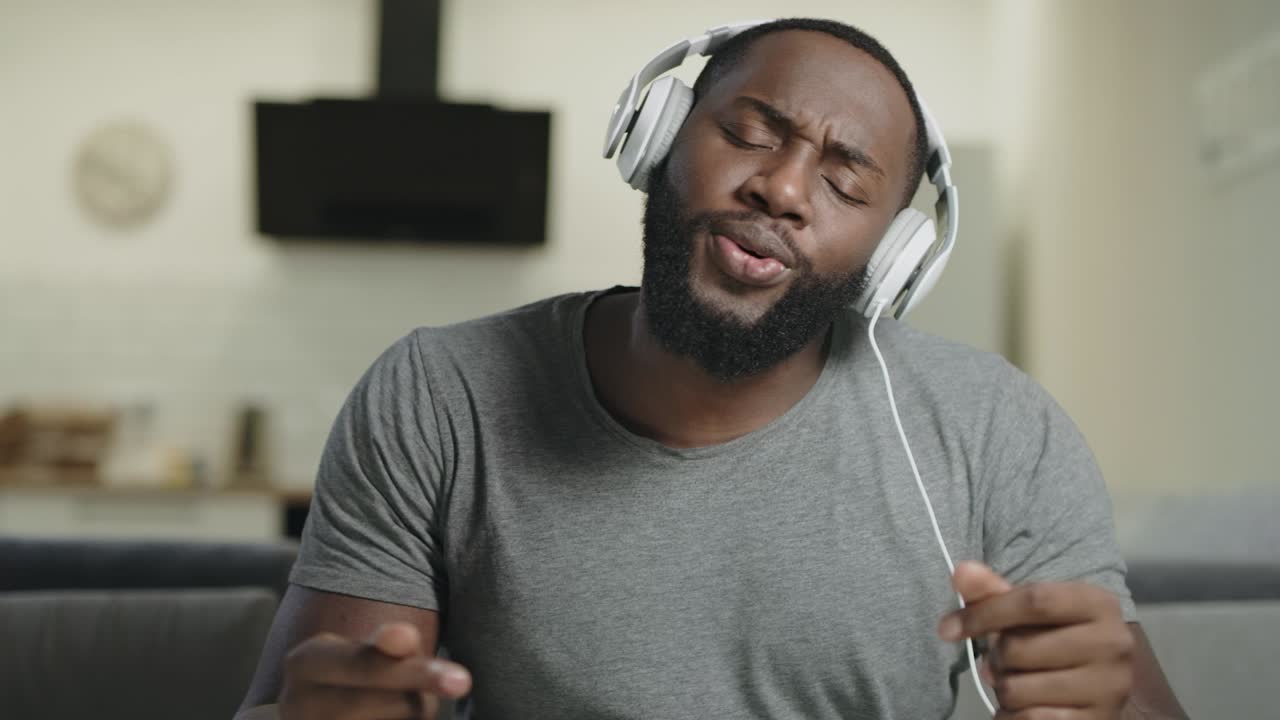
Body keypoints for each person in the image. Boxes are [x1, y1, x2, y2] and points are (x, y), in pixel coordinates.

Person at [237, 17, 1187, 720]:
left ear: (891, 257)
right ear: (656, 136)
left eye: (846, 180)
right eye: (748, 132)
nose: (780, 187)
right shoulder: (439, 395)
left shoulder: (995, 430)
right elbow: (323, 693)